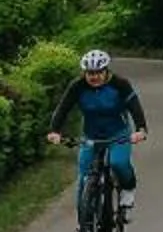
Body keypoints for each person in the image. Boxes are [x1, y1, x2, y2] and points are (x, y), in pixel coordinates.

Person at [46, 49, 149, 216]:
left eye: (98, 73)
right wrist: (54, 130)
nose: (94, 77)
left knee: (118, 163)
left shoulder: (120, 84)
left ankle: (128, 191)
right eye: (89, 73)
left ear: (106, 70)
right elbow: (63, 108)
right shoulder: (77, 86)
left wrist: (141, 129)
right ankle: (83, 227)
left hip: (118, 134)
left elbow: (134, 107)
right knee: (83, 178)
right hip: (91, 136)